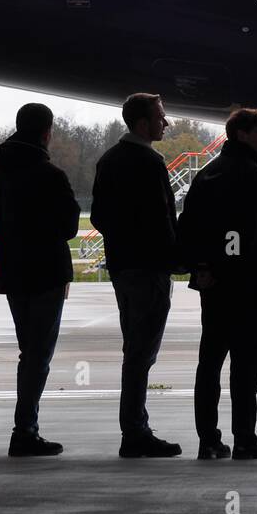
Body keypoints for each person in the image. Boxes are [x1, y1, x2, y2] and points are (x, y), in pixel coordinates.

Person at [178, 108, 257, 461]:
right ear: (242, 135)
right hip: (244, 285)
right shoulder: (250, 174)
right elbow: (245, 233)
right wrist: (237, 266)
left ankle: (208, 439)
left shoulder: (207, 174)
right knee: (246, 367)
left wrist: (204, 266)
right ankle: (245, 439)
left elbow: (188, 226)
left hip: (213, 284)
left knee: (210, 363)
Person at [91, 93, 182, 458]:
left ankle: (134, 428)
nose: (166, 123)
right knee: (142, 352)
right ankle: (135, 432)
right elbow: (163, 221)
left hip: (122, 267)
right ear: (143, 124)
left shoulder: (109, 160)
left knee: (134, 348)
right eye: (161, 117)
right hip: (149, 268)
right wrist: (174, 256)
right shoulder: (148, 162)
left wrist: (123, 239)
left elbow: (99, 217)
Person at [0, 103, 80, 457]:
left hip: (14, 270)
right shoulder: (50, 174)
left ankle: (25, 426)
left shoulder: (4, 176)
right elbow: (69, 226)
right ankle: (24, 429)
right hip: (46, 271)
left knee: (29, 351)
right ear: (46, 132)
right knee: (38, 354)